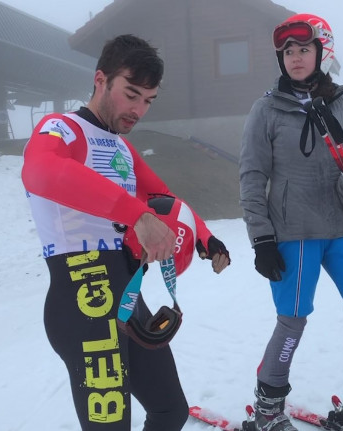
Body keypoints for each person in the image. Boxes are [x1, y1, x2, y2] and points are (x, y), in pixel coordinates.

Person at [22, 34, 231, 431]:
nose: (138, 109)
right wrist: (136, 215)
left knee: (171, 411)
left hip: (125, 296)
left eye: (148, 100)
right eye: (131, 94)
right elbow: (40, 172)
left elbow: (163, 197)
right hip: (84, 296)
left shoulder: (120, 148)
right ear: (101, 79)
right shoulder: (62, 129)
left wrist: (204, 237)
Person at [239, 14, 343, 431]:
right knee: (293, 322)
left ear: (322, 53)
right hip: (293, 234)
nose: (295, 58)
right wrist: (261, 239)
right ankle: (267, 410)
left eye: (304, 50)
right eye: (288, 52)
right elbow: (252, 176)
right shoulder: (266, 110)